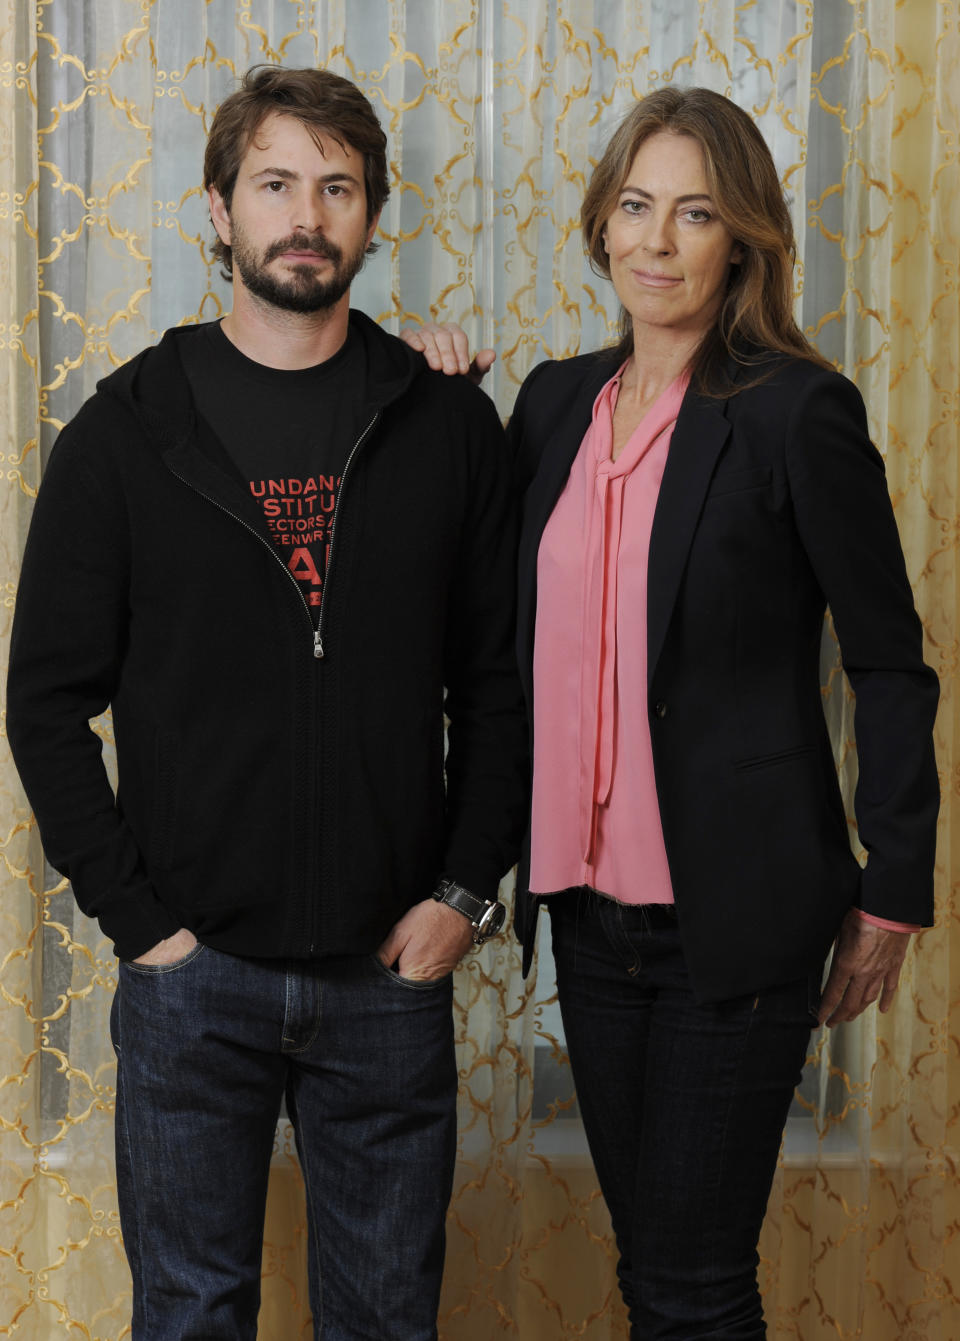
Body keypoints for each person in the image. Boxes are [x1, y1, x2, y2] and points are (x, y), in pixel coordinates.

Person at [402, 86, 940, 1338]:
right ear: (600, 226)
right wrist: (433, 384)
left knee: (695, 1285)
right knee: (655, 1270)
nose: (656, 239)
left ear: (741, 237)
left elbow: (891, 662)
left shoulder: (797, 411)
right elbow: (485, 601)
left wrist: (893, 887)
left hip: (734, 926)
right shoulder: (552, 404)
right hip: (587, 919)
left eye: (694, 213)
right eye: (635, 207)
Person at [6, 65, 527, 1341]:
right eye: (278, 183)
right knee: (188, 1317)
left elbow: (507, 686)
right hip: (195, 981)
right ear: (219, 209)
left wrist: (463, 895)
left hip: (388, 976)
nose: (308, 213)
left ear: (371, 214)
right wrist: (144, 929)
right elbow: (42, 702)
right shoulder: (123, 433)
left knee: (387, 1322)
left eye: (337, 186)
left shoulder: (446, 422)